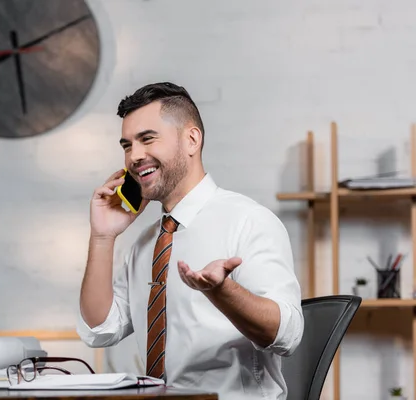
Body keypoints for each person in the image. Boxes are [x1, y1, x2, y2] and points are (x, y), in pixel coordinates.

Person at [76, 82, 303, 400]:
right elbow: (100, 330)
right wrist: (102, 236)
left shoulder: (249, 221)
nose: (134, 156)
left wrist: (222, 292)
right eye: (127, 145)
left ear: (191, 140)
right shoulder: (146, 243)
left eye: (147, 139)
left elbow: (287, 334)